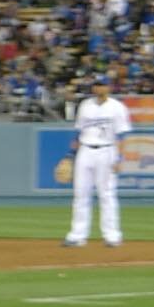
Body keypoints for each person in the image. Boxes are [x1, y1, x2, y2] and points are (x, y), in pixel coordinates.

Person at [63, 73, 133, 247]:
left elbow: (122, 135)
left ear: (109, 87)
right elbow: (78, 131)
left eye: (102, 84)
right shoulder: (85, 106)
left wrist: (120, 158)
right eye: (96, 84)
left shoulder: (117, 107)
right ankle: (77, 236)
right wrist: (70, 156)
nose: (99, 87)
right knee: (80, 194)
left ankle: (112, 236)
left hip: (107, 150)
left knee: (107, 194)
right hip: (85, 150)